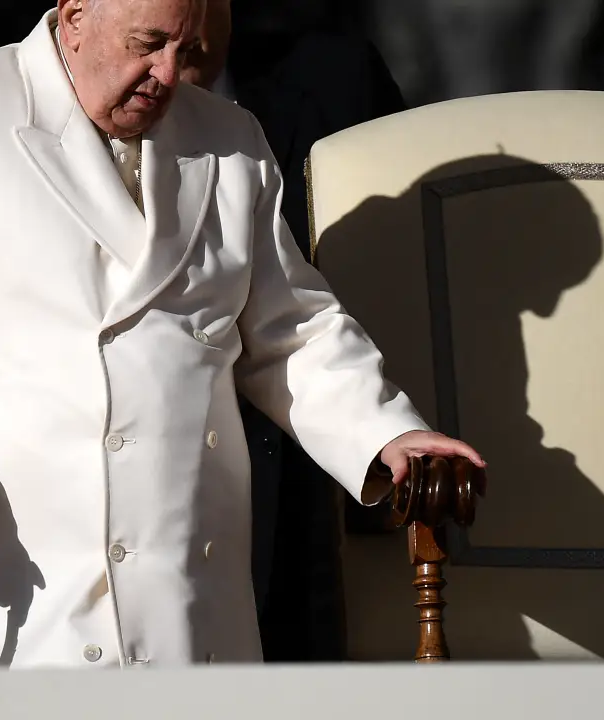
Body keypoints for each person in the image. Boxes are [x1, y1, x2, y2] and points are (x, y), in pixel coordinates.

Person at [0, 0, 483, 669]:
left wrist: (386, 432)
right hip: (23, 589)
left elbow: (294, 332)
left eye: (186, 50)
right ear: (74, 17)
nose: (168, 74)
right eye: (147, 43)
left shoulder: (231, 138)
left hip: (189, 600)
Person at [179, 0, 413, 660]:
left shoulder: (336, 81)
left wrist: (386, 438)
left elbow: (391, 286)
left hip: (308, 499)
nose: (170, 63)